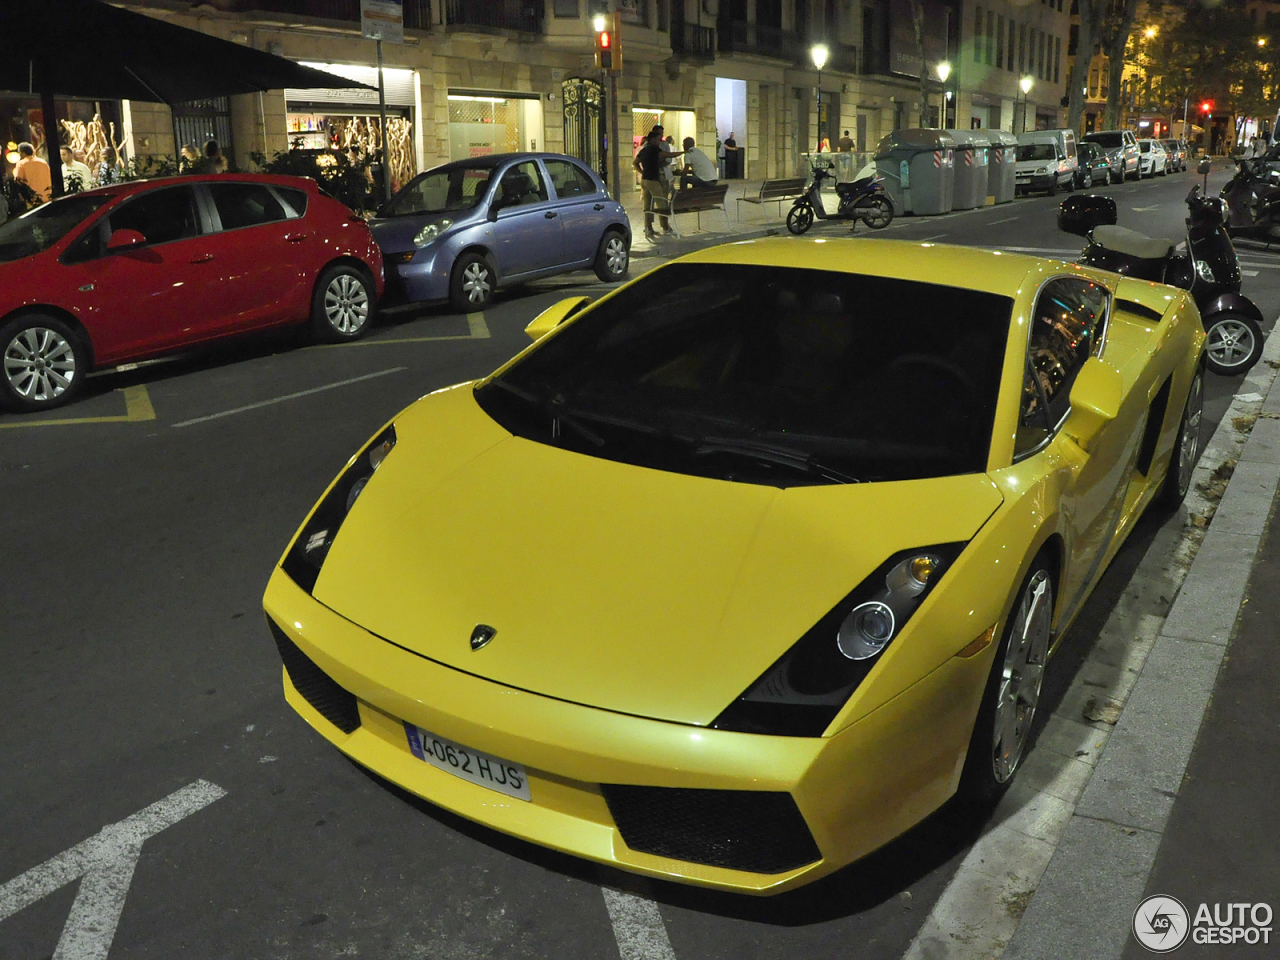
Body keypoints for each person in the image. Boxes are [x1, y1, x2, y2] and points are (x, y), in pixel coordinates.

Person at [633, 128, 670, 241]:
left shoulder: (644, 149)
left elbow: (635, 163)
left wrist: (642, 172)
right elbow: (668, 155)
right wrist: (683, 152)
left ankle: (648, 227)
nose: (660, 141)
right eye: (659, 138)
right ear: (654, 139)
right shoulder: (654, 149)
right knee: (662, 203)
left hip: (645, 180)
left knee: (647, 205)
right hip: (654, 179)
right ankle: (665, 226)